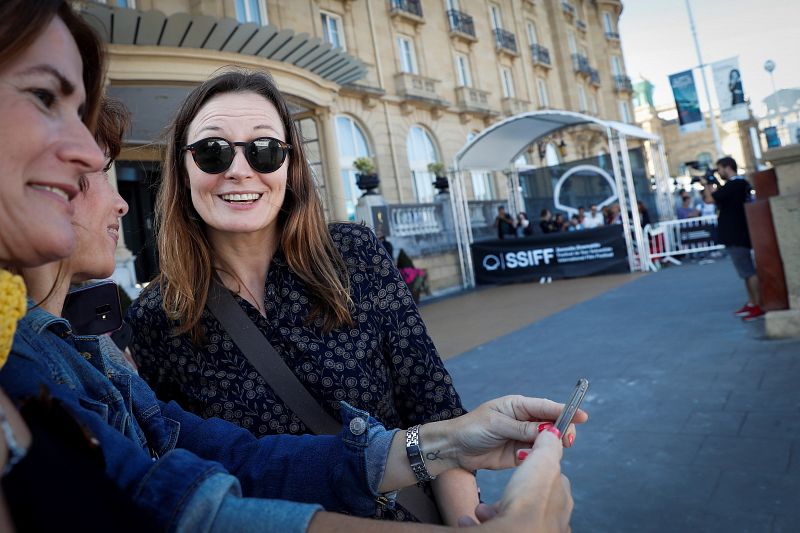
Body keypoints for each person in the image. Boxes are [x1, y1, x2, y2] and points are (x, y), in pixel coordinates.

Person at [0, 2, 585, 531]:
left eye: (264, 150)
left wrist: (461, 514)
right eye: (211, 151)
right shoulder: (154, 317)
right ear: (181, 171)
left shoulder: (353, 253)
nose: (239, 170)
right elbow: (198, 484)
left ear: (291, 168)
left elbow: (427, 400)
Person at [702, 157, 763, 321]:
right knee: (745, 272)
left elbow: (709, 199)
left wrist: (706, 184)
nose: (719, 172)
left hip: (736, 234)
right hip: (738, 233)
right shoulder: (737, 185)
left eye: (720, 169)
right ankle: (752, 303)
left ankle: (757, 305)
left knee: (748, 271)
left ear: (728, 167)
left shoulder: (734, 184)